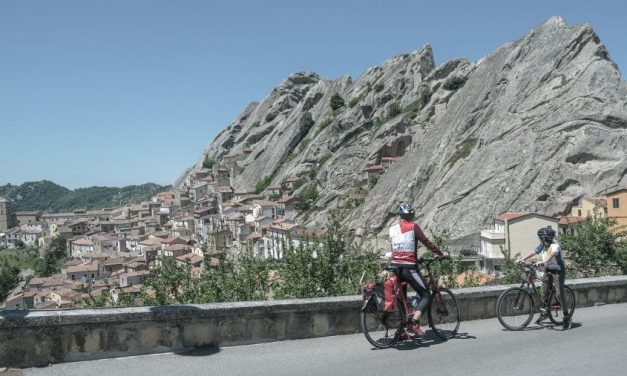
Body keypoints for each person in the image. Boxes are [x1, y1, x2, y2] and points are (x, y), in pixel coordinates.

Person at [389, 201, 448, 339]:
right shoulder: (413, 227)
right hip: (409, 268)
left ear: (400, 215)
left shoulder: (392, 230)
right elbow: (426, 242)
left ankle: (401, 332)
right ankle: (414, 322)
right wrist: (441, 254)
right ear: (411, 215)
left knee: (401, 299)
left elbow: (396, 249)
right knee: (426, 294)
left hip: (396, 267)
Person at [518, 226, 571, 329]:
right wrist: (522, 259)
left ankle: (566, 316)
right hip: (548, 270)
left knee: (559, 293)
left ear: (546, 238)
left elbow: (552, 254)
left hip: (558, 271)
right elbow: (533, 252)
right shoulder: (542, 245)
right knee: (544, 291)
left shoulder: (555, 246)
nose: (539, 239)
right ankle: (545, 312)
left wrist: (543, 261)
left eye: (540, 237)